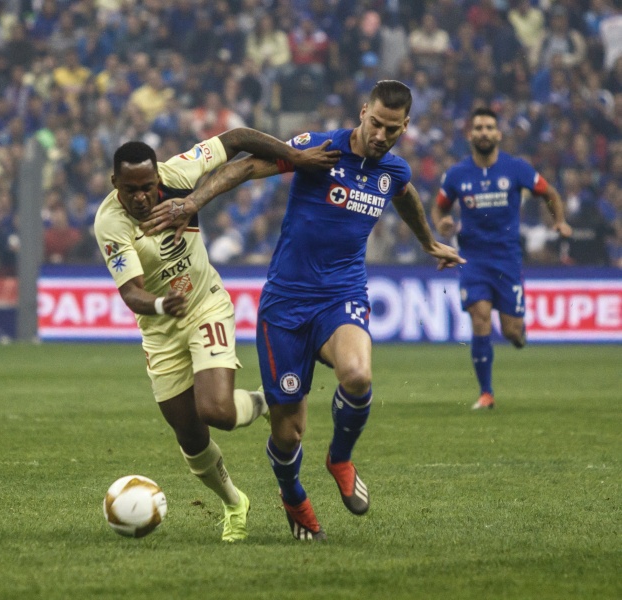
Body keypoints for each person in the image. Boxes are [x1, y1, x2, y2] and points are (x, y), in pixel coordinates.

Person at [142, 80, 464, 541]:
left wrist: (428, 241)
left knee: (357, 375)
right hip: (286, 305)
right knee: (288, 433)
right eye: (375, 123)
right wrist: (192, 202)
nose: (380, 136)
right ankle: (292, 494)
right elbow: (247, 165)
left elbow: (405, 194)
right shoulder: (320, 149)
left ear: (405, 126)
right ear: (363, 112)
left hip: (342, 294)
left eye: (392, 129)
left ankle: (340, 458)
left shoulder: (393, 169)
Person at [94, 128, 339, 542]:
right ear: (115, 182)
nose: (141, 197)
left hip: (205, 304)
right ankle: (234, 503)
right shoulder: (110, 224)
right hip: (160, 327)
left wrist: (293, 158)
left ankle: (268, 401)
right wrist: (161, 305)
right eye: (130, 189)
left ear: (158, 177)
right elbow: (132, 292)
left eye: (148, 187)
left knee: (218, 412)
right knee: (190, 436)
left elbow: (238, 139)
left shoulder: (179, 173)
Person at [431, 107, 572, 410]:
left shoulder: (516, 168)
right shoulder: (457, 174)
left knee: (511, 332)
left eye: (488, 128)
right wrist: (442, 223)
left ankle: (519, 333)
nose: (483, 132)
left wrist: (559, 221)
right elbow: (439, 206)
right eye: (478, 128)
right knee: (479, 317)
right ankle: (486, 393)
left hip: (507, 259)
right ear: (470, 135)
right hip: (472, 259)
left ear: (498, 134)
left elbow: (549, 193)